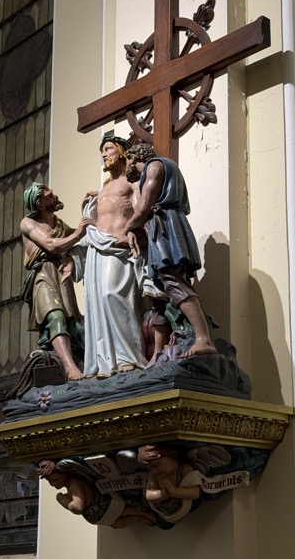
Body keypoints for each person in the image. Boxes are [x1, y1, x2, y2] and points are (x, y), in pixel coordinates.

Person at [123, 143, 218, 357]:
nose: (126, 165)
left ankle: (203, 339)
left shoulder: (154, 167)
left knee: (173, 281)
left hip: (166, 227)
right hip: (167, 226)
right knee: (166, 286)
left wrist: (128, 227)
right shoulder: (163, 166)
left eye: (127, 159)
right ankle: (166, 347)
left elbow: (144, 205)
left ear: (134, 157)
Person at [80, 135, 151, 377]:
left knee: (114, 295)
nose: (104, 154)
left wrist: (132, 235)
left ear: (121, 151)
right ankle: (105, 362)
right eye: (103, 150)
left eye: (109, 149)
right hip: (98, 246)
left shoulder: (131, 183)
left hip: (119, 246)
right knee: (97, 301)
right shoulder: (103, 188)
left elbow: (142, 211)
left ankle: (128, 356)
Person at [19, 183, 91, 380]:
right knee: (56, 317)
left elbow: (82, 238)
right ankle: (70, 368)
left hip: (60, 275)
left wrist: (89, 208)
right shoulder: (27, 222)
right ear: (39, 203)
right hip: (43, 275)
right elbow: (50, 244)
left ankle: (80, 362)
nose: (54, 194)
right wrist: (77, 234)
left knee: (71, 322)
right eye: (48, 195)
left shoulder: (58, 224)